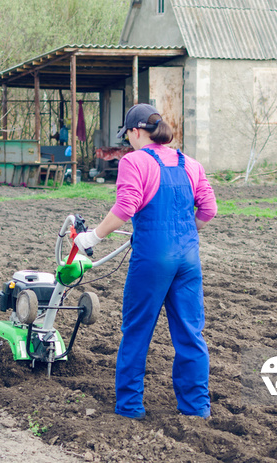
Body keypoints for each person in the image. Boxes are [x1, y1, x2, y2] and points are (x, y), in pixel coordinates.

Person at [74, 103, 217, 420]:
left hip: (153, 258)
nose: (129, 142)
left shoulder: (134, 162)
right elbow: (209, 209)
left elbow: (126, 207)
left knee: (137, 332)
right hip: (188, 259)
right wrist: (184, 231)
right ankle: (196, 409)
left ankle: (129, 407)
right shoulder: (190, 163)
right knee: (190, 334)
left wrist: (92, 237)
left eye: (129, 136)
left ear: (137, 132)